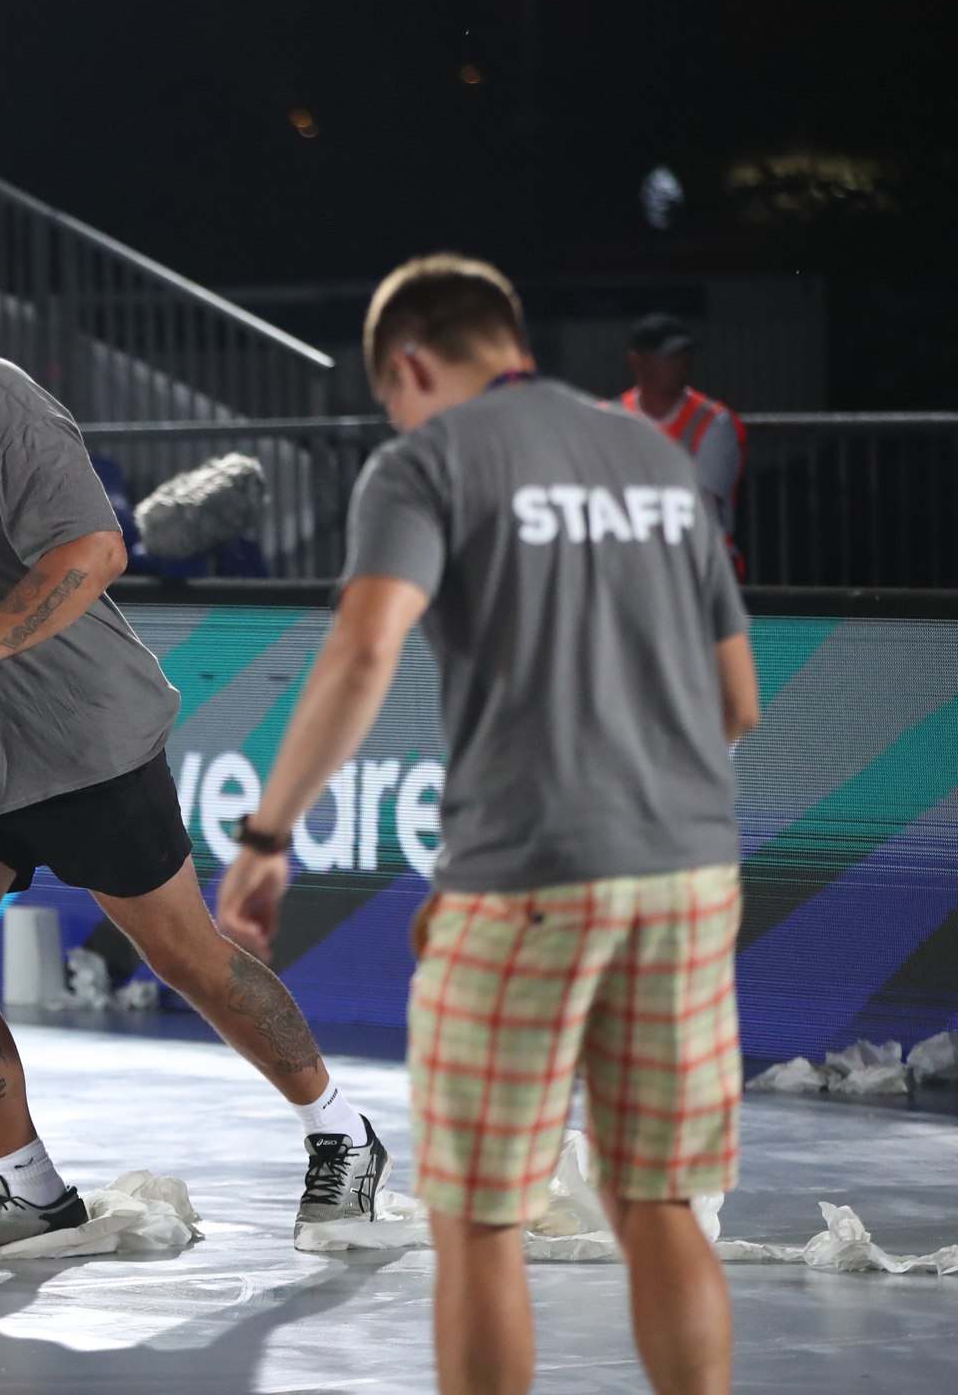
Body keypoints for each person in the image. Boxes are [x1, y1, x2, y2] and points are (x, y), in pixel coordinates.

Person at [215, 254, 759, 1395]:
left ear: (411, 365)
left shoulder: (428, 462)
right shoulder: (654, 455)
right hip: (691, 874)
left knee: (478, 1217)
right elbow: (737, 701)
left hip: (527, 877)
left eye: (390, 398)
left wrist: (268, 836)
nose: (396, 419)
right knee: (659, 1204)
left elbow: (364, 649)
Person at [0, 232, 384, 1253]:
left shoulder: (1, 405)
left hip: (77, 743)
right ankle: (32, 1188)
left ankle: (341, 1131)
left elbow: (94, 548)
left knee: (188, 958)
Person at [621, 313, 745, 548]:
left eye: (685, 354)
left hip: (699, 561)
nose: (681, 363)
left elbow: (701, 509)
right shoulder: (609, 417)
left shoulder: (714, 422)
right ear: (637, 360)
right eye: (670, 356)